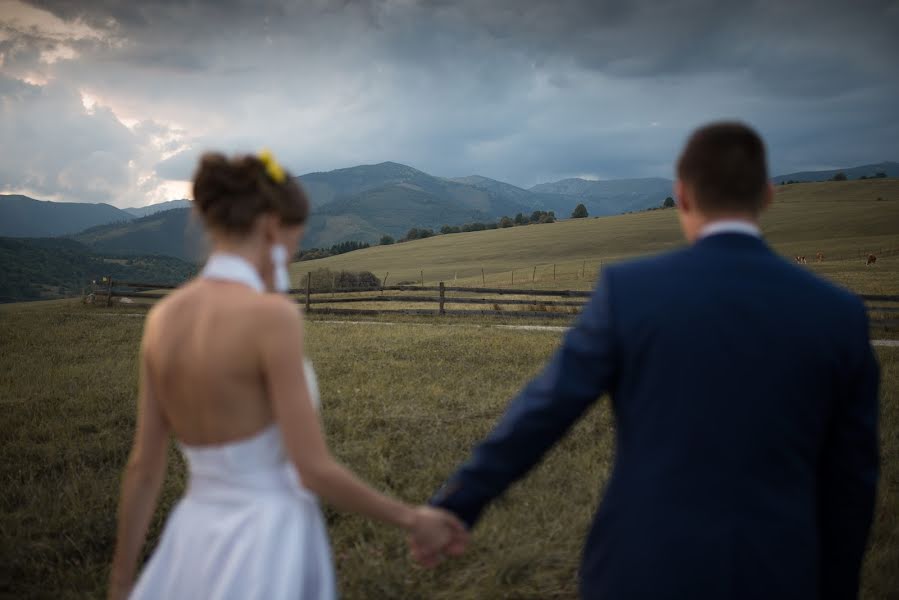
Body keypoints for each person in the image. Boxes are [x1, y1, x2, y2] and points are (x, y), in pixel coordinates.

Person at [425, 122, 880, 599]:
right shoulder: (839, 314)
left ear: (682, 195)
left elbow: (543, 412)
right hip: (782, 571)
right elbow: (853, 480)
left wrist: (457, 505)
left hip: (644, 568)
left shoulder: (631, 293)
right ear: (767, 195)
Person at [108, 151, 467, 600]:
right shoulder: (271, 317)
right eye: (295, 240)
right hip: (265, 538)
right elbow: (313, 468)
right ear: (272, 228)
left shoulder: (162, 319)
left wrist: (122, 579)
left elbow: (144, 466)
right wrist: (413, 519)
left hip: (192, 537)